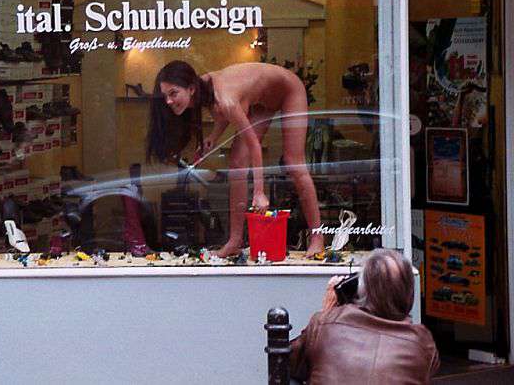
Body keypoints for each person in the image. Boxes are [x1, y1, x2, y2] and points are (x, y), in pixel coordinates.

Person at [146, 60, 323, 257]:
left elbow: (253, 145)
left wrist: (259, 192)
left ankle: (317, 237)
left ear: (191, 89)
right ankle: (235, 241)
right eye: (165, 96)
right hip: (261, 102)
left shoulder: (225, 99)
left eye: (173, 93)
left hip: (289, 91)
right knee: (237, 163)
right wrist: (213, 137)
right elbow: (223, 113)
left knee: (294, 163)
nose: (169, 101)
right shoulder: (204, 87)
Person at [290, 249, 439, 384]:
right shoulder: (421, 341)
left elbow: (289, 362)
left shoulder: (325, 322)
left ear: (361, 288)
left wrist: (327, 314)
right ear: (409, 293)